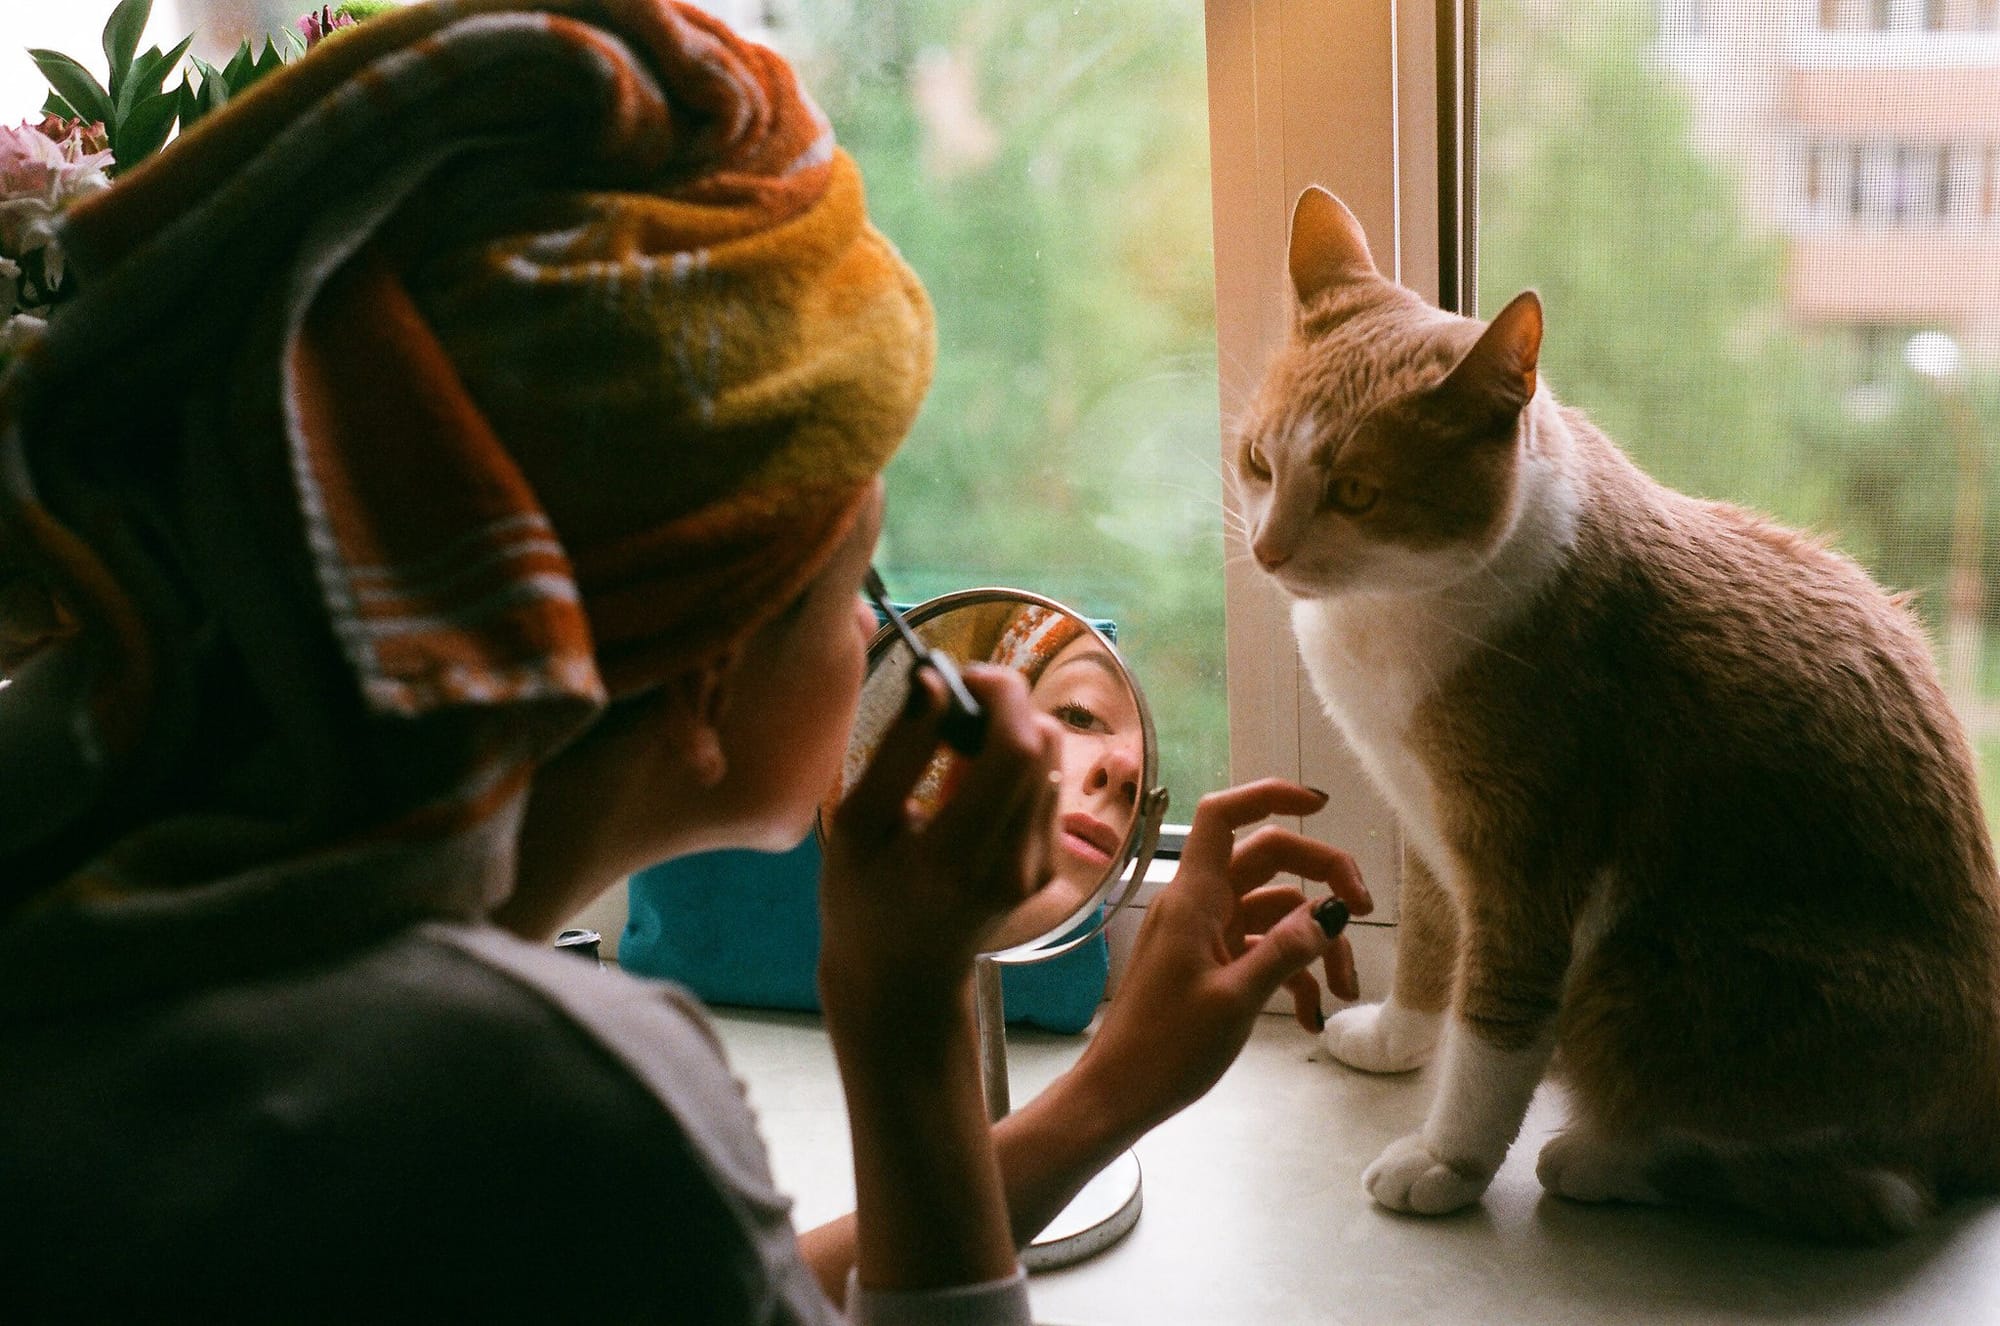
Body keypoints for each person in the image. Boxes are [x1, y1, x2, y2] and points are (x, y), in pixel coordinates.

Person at [0, 2, 1370, 1322]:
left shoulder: (114, 869)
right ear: (708, 669)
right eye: (860, 588)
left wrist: (1102, 1095)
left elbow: (689, 1286)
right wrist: (900, 1027)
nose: (872, 638)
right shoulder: (549, 1097)